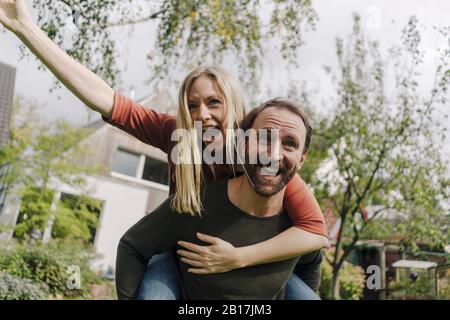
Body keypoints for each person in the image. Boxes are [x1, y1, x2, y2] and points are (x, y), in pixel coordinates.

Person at [0, 0, 327, 299]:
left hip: (246, 263)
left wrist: (238, 258)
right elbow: (103, 98)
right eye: (192, 105)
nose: (203, 114)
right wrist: (26, 28)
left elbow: (314, 232)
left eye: (214, 102)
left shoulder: (257, 154)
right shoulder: (176, 134)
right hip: (178, 253)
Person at [116, 98, 327, 299]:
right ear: (243, 143)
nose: (272, 155)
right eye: (264, 138)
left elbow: (311, 263)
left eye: (289, 144)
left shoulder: (298, 229)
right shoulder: (196, 205)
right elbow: (132, 247)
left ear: (302, 158)